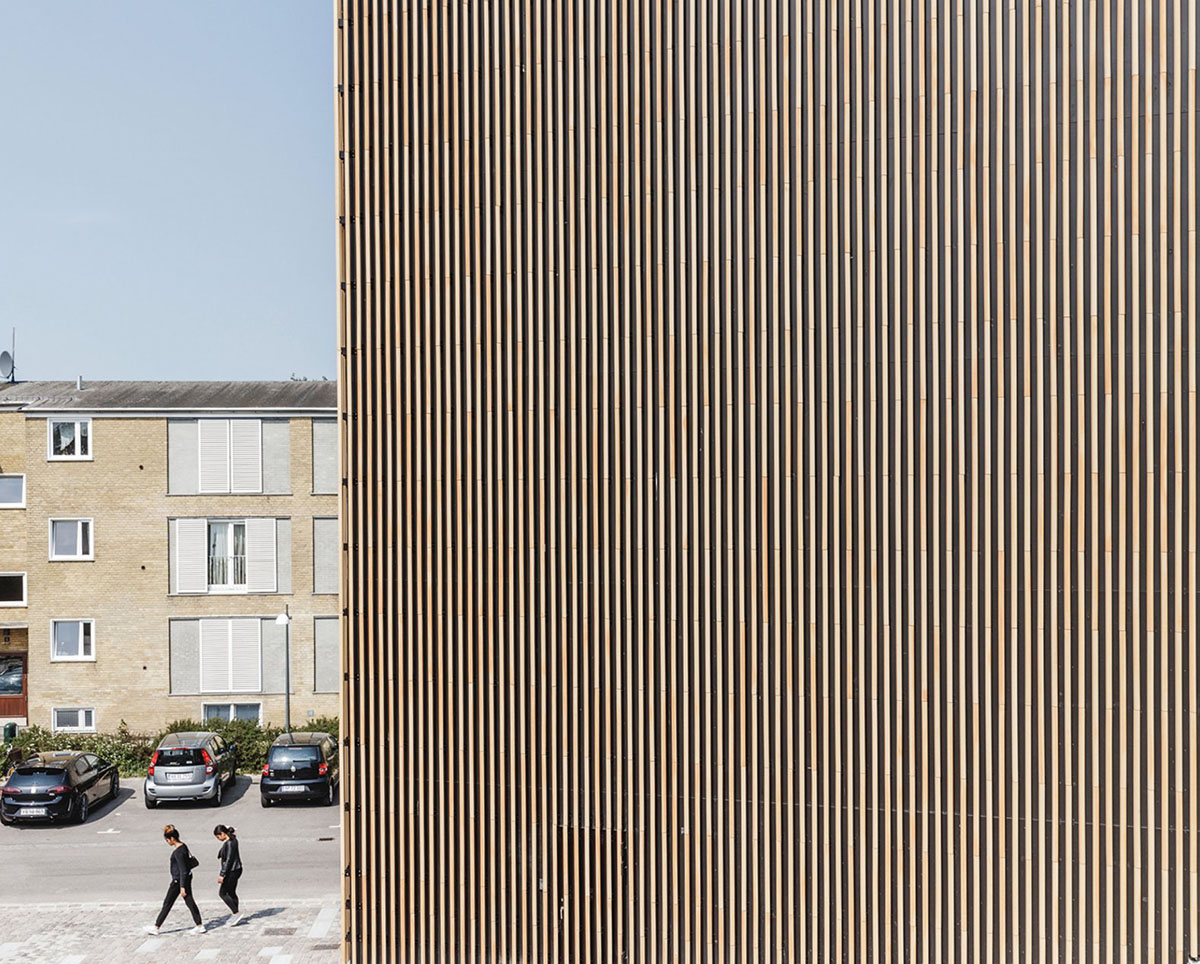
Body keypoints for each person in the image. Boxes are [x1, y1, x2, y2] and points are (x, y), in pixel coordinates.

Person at [143, 824, 206, 935]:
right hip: (185, 878)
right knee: (190, 902)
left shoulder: (178, 852)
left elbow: (183, 869)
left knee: (168, 903)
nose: (167, 842)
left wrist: (182, 887)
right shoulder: (183, 846)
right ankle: (199, 925)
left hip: (178, 881)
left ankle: (156, 927)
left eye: (167, 840)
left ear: (172, 838)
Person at [213, 824, 244, 924]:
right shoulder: (232, 840)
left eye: (218, 837)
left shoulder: (230, 843)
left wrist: (222, 874)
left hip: (232, 871)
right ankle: (236, 915)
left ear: (222, 834)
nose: (218, 839)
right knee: (231, 892)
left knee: (222, 893)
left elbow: (229, 860)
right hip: (236, 869)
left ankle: (236, 913)